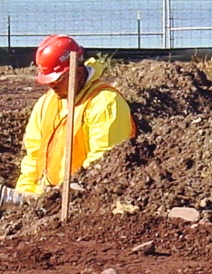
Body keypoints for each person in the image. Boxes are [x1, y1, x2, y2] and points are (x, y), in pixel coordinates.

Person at [14, 34, 135, 196]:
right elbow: (33, 156)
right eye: (49, 82)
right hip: (45, 197)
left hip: (84, 198)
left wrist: (65, 194)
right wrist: (24, 192)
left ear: (77, 74)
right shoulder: (46, 103)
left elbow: (104, 163)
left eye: (57, 81)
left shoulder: (105, 102)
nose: (52, 87)